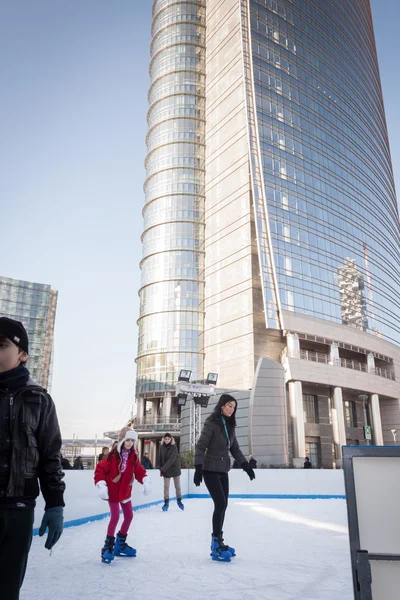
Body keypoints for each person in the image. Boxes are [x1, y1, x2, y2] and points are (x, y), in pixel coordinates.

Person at [0, 317, 65, 599]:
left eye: (1, 345)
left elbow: (50, 456)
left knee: (7, 589)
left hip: (19, 511)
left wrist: (55, 504)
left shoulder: (40, 400)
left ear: (22, 355)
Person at [194, 394, 255, 562]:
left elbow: (234, 449)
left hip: (222, 470)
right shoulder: (211, 423)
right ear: (221, 405)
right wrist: (198, 467)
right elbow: (201, 445)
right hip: (209, 470)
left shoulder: (230, 425)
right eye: (229, 406)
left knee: (224, 505)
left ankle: (219, 541)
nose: (231, 409)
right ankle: (215, 545)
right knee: (220, 504)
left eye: (234, 407)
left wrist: (246, 466)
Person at [94, 427, 151, 564]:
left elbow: (139, 471)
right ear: (122, 440)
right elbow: (100, 469)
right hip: (113, 492)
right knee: (115, 517)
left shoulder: (134, 456)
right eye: (128, 440)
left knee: (129, 516)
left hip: (125, 492)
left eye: (132, 440)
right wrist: (101, 485)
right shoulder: (112, 455)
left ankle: (120, 545)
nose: (130, 443)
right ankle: (107, 548)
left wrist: (145, 481)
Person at [159, 433, 184, 511]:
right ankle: (166, 503)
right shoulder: (162, 447)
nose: (167, 440)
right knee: (166, 487)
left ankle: (179, 501)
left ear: (171, 439)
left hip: (174, 469)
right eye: (166, 439)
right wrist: (160, 468)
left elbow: (171, 460)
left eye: (168, 439)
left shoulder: (174, 447)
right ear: (164, 439)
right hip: (166, 470)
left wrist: (163, 468)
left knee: (177, 486)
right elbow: (160, 458)